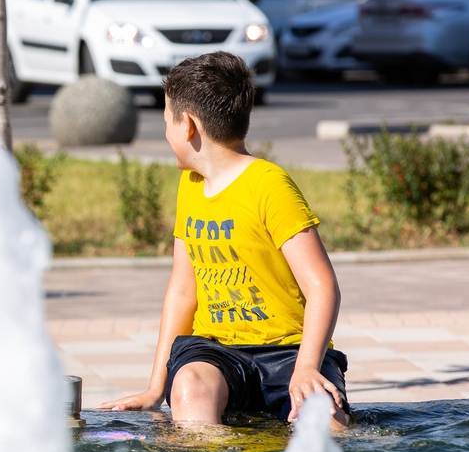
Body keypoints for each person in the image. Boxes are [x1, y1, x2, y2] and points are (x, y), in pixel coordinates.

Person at [97, 51, 349, 431]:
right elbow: (184, 291)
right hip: (215, 350)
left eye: (167, 121)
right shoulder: (191, 184)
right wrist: (155, 388)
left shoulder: (269, 185)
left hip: (290, 351)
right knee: (189, 387)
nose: (166, 132)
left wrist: (308, 367)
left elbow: (322, 284)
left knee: (324, 420)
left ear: (188, 126)